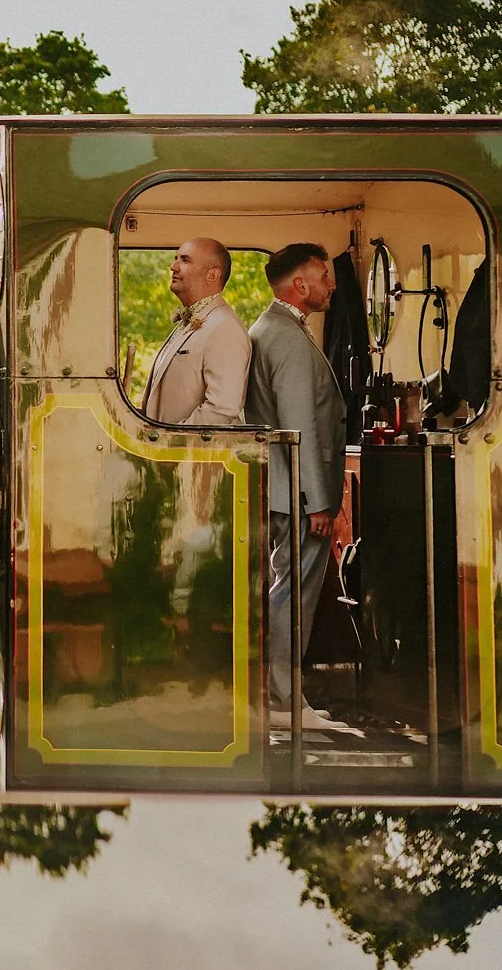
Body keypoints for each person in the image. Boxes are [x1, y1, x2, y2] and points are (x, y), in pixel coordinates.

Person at [247, 242, 348, 731]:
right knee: (293, 596)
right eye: (325, 277)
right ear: (300, 285)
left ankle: (280, 696)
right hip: (297, 493)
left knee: (284, 592)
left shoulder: (271, 328)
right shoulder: (285, 336)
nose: (332, 285)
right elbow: (298, 424)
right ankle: (284, 703)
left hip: (288, 488)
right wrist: (317, 501)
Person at [141, 238, 250, 425]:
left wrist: (171, 440)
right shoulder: (189, 321)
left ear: (212, 275)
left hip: (187, 452)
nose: (173, 266)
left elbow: (222, 408)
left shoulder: (224, 327)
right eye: (176, 258)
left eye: (185, 260)